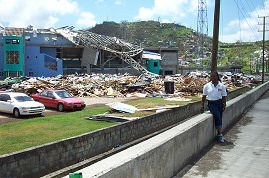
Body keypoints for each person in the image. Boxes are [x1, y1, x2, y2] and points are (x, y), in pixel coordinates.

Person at [200, 71, 227, 143]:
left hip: (219, 103)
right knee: (217, 116)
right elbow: (204, 96)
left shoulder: (221, 86)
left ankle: (219, 133)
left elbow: (224, 96)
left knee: (220, 117)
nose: (213, 78)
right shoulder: (207, 86)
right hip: (211, 103)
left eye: (214, 76)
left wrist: (224, 104)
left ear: (218, 77)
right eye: (211, 77)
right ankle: (220, 134)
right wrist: (202, 104)